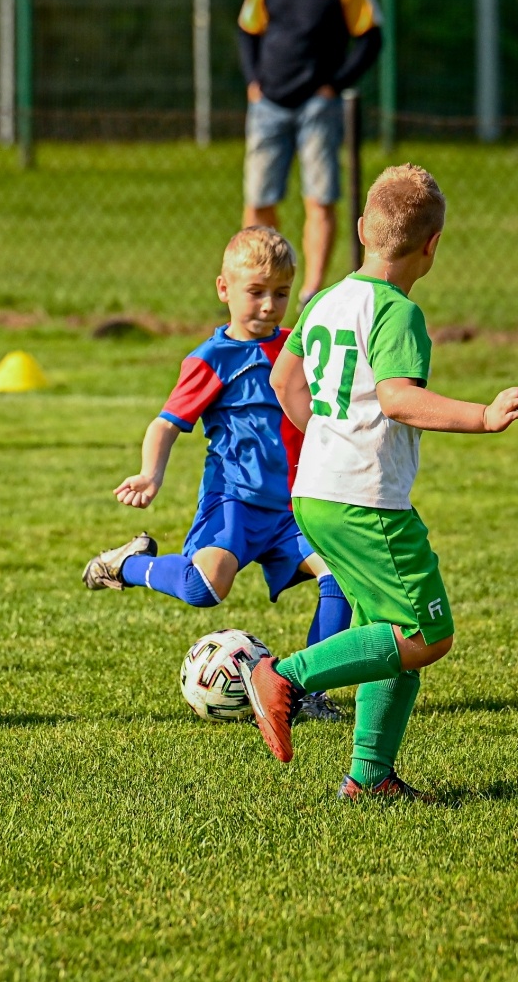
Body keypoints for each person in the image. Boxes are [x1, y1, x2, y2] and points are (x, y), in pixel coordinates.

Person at [247, 165, 518, 801]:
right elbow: (399, 399)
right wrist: (482, 418)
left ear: (359, 231)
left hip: (317, 491)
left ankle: (369, 777)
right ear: (431, 246)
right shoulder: (399, 313)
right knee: (426, 635)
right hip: (365, 499)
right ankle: (285, 677)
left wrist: (327, 437)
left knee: (386, 632)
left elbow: (283, 384)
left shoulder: (325, 299)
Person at [82, 226, 351, 721]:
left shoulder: (297, 349)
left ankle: (308, 693)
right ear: (224, 289)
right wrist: (150, 474)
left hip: (295, 505)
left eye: (281, 294)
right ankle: (127, 565)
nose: (269, 306)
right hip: (235, 501)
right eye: (256, 293)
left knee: (341, 576)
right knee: (204, 589)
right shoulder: (212, 360)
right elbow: (164, 426)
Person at [239, 0, 382, 308]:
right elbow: (248, 30)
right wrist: (254, 82)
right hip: (269, 104)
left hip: (318, 106)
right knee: (258, 198)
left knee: (319, 197)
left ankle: (309, 293)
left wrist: (334, 85)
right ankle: (258, 283)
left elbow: (371, 36)